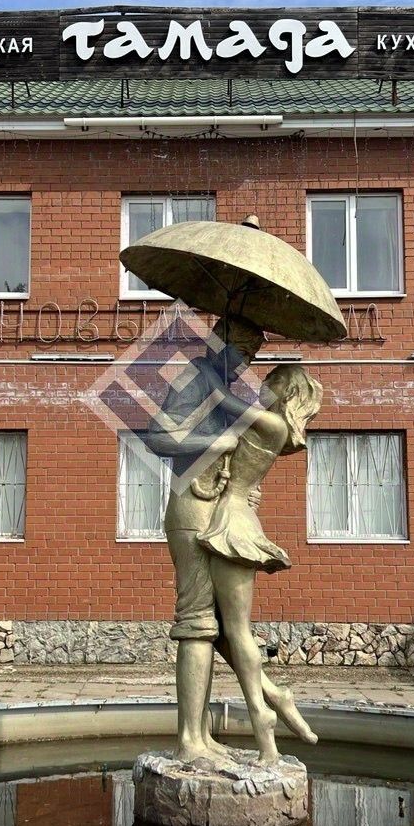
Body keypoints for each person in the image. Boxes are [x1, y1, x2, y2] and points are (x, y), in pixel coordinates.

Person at [145, 315, 319, 765]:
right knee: (197, 622)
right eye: (242, 352)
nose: (246, 365)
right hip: (193, 505)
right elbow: (157, 436)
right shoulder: (196, 375)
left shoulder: (227, 390)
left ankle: (208, 732)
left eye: (252, 357)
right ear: (219, 341)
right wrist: (216, 441)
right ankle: (190, 740)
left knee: (218, 625)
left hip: (218, 511)